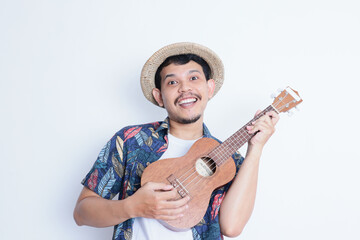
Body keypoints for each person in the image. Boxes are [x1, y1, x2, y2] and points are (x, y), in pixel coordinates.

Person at [73, 42, 279, 240]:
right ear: (159, 96)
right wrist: (132, 206)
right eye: (172, 82)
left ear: (209, 88)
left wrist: (256, 149)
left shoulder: (229, 160)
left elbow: (231, 226)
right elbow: (82, 212)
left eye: (194, 78)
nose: (184, 88)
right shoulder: (130, 140)